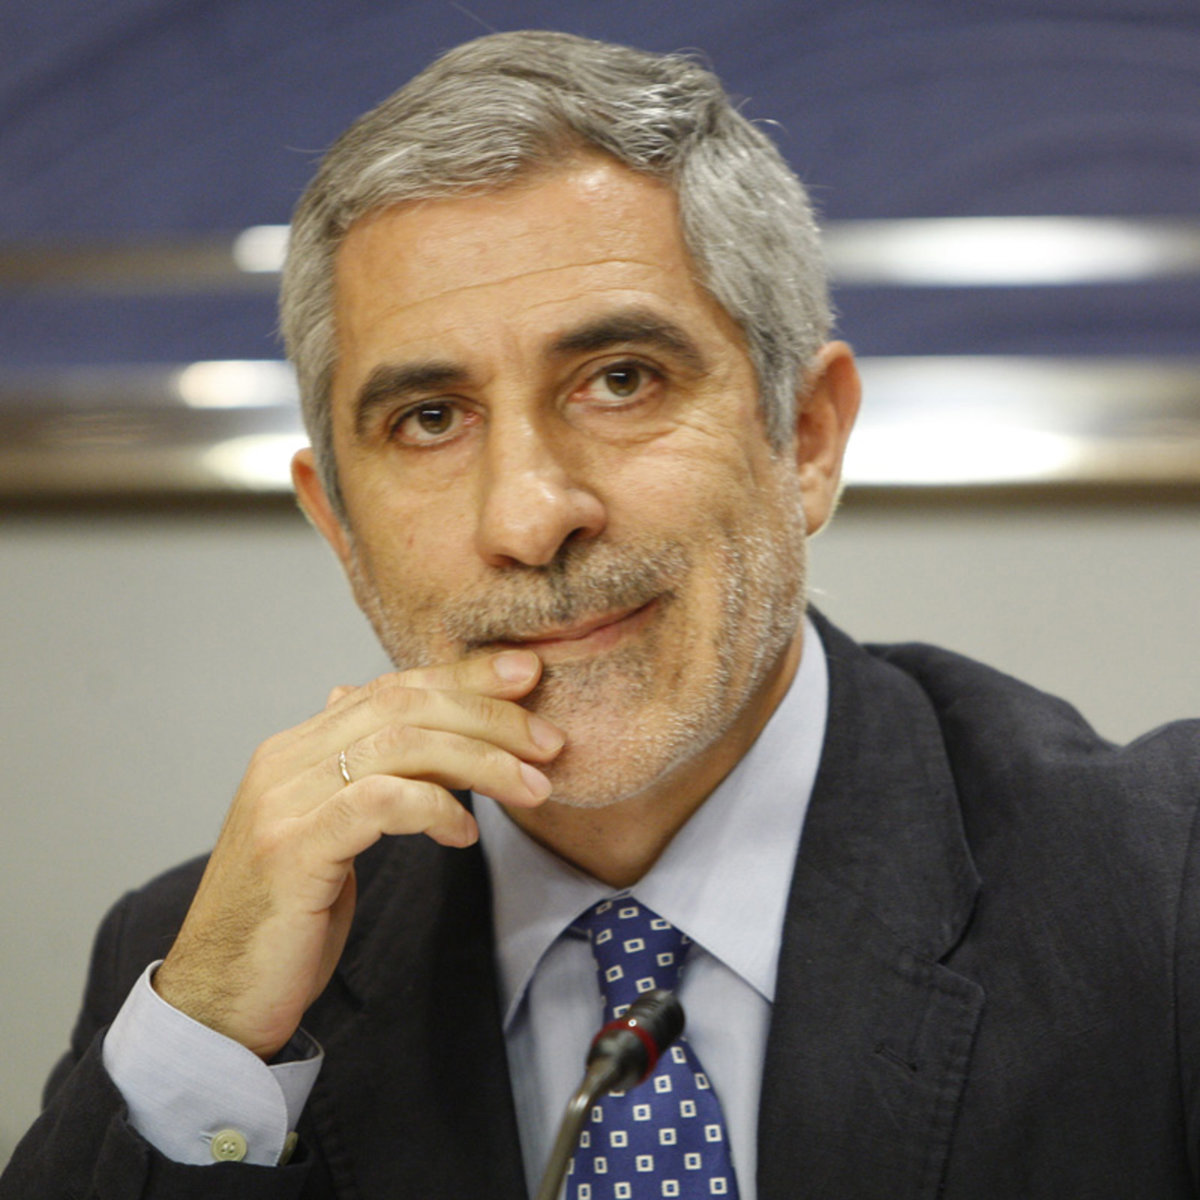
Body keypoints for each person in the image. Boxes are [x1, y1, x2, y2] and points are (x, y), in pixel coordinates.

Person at [3, 28, 1199, 1200]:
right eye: (429, 419)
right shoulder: (201, 975)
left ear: (805, 437)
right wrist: (210, 1047)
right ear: (340, 526)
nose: (531, 517)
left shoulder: (1163, 890)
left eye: (621, 380)